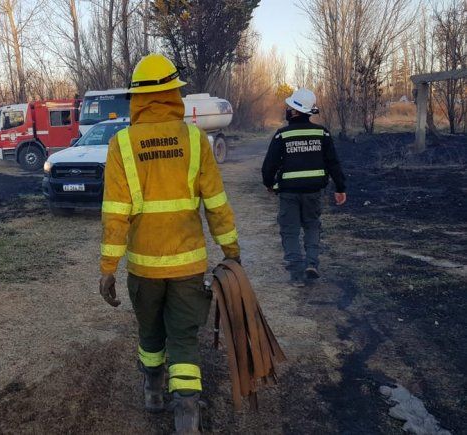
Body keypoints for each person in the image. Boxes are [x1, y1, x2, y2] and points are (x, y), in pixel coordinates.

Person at [99, 53, 240, 434]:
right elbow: (216, 204)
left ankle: (152, 391)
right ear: (174, 94)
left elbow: (115, 215)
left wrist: (108, 270)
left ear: (137, 98)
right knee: (183, 337)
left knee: (150, 333)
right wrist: (232, 252)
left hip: (143, 268)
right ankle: (187, 413)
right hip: (188, 266)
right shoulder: (195, 140)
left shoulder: (122, 144)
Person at [261, 88, 347, 287]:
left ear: (295, 111)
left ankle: (296, 273)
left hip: (289, 193)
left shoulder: (282, 135)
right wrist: (340, 188)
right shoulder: (322, 133)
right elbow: (333, 163)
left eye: (289, 107)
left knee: (290, 230)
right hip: (314, 192)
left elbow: (269, 165)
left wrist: (269, 184)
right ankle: (311, 263)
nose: (287, 110)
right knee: (312, 226)